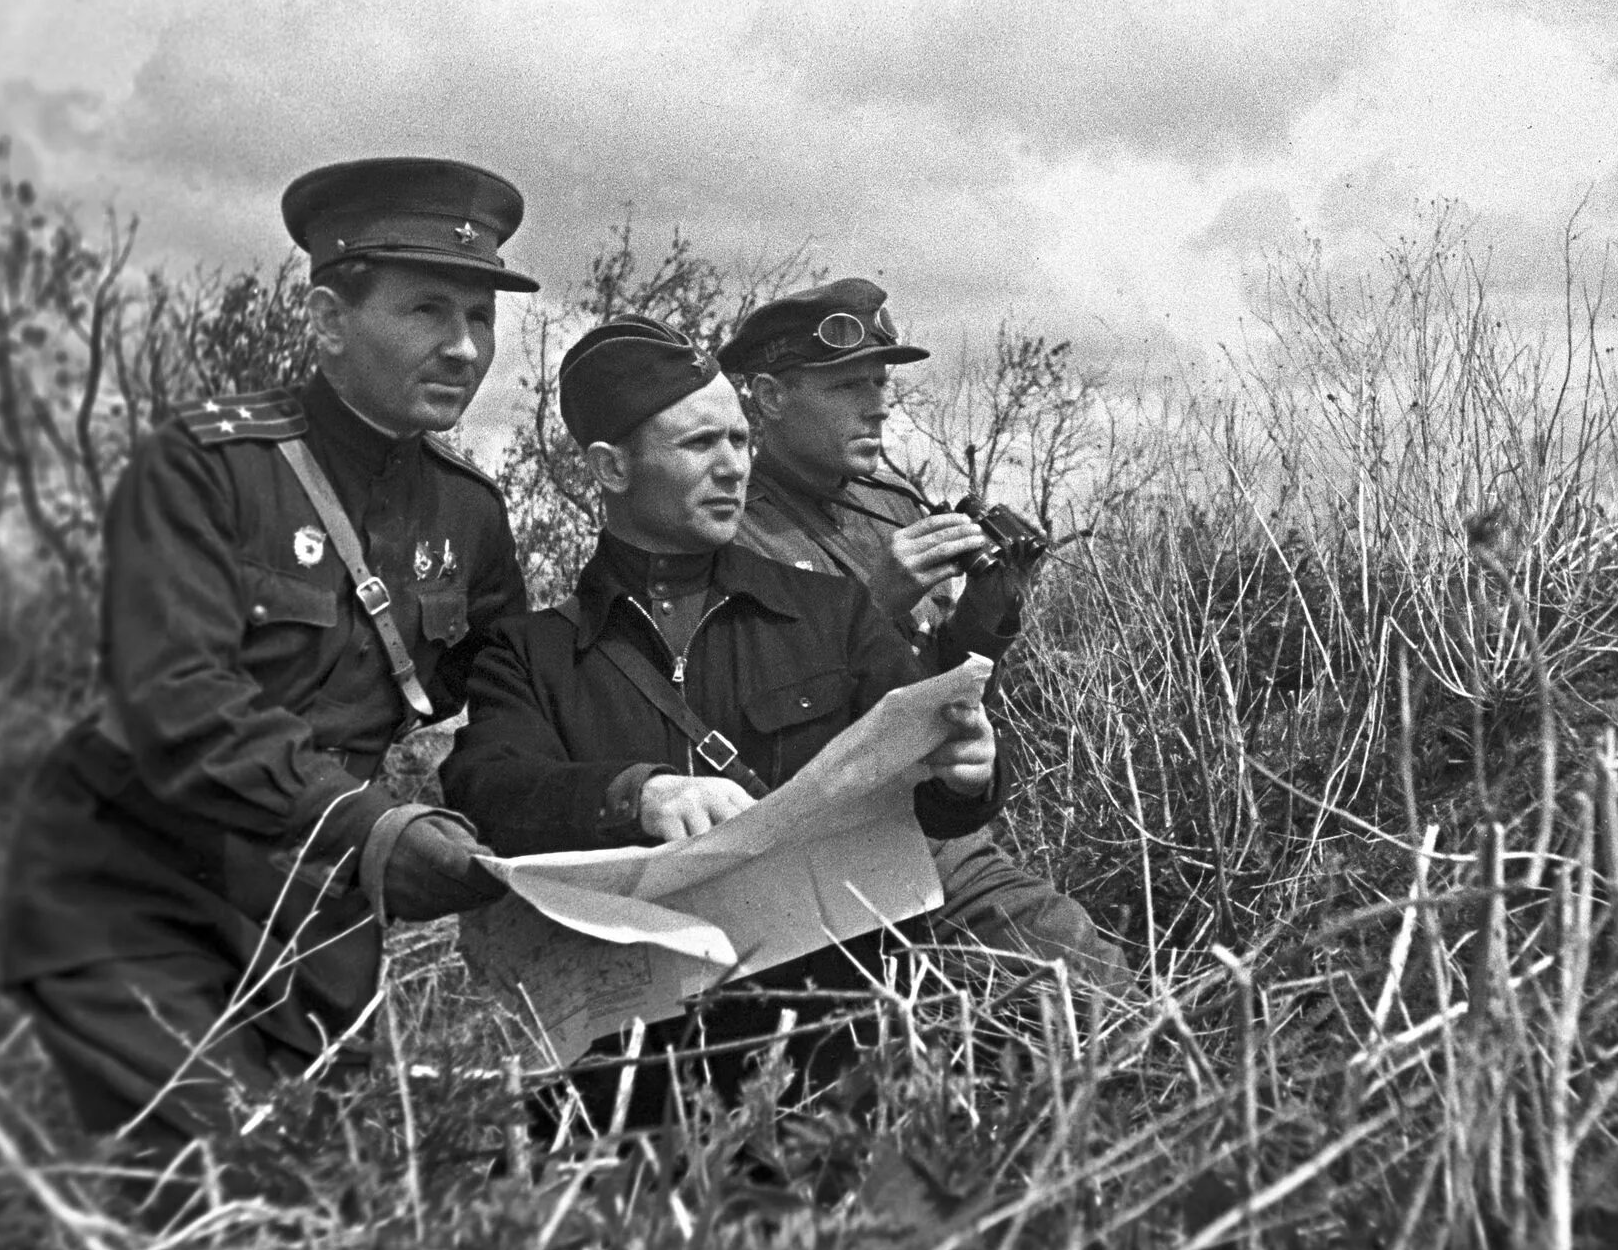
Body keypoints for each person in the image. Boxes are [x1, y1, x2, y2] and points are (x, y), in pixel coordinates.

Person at [0, 157, 535, 1213]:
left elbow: (524, 689)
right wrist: (374, 828)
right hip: (148, 881)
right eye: (429, 308)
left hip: (319, 909)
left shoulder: (468, 512)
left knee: (312, 1194)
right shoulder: (203, 465)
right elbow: (179, 703)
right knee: (192, 1197)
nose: (466, 345)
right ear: (330, 320)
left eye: (480, 314)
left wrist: (619, 795)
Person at [440, 314, 1004, 1124]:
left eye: (741, 441)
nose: (734, 467)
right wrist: (635, 794)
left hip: (834, 1063)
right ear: (611, 466)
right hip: (629, 1085)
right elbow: (488, 785)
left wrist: (972, 770)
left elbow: (937, 791)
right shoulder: (535, 652)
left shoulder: (833, 613)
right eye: (701, 445)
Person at [717, 280, 1129, 988]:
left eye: (880, 381)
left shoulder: (892, 505)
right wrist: (871, 603)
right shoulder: (729, 532)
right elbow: (751, 727)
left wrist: (988, 612)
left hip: (930, 837)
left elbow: (932, 692)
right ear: (770, 397)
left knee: (1088, 974)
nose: (878, 402)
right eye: (848, 385)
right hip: (814, 866)